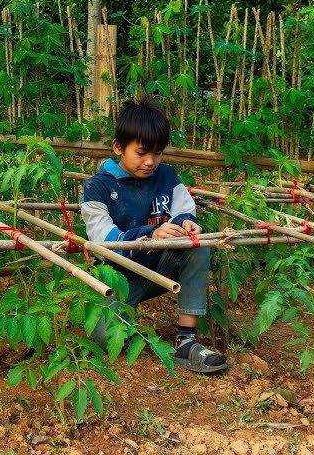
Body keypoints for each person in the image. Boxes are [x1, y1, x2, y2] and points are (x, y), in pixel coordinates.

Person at [81, 97, 228, 374]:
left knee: (199, 244)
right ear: (118, 147)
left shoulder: (167, 175)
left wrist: (186, 224)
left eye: (158, 153)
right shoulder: (97, 187)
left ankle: (186, 341)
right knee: (103, 338)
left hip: (162, 270)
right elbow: (103, 241)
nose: (151, 161)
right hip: (119, 279)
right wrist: (151, 234)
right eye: (142, 152)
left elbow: (184, 209)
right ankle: (124, 315)